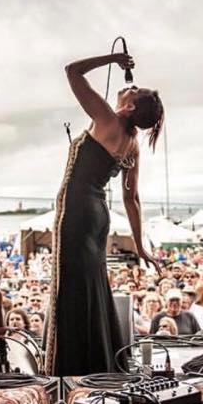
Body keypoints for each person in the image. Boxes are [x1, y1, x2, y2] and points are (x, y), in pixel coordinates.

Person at [44, 52, 165, 376]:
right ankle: (95, 364)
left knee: (68, 287)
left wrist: (113, 59)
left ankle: (66, 371)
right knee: (91, 287)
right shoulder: (132, 144)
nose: (129, 87)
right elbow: (132, 199)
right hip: (98, 216)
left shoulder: (108, 120)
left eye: (133, 90)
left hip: (77, 211)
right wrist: (139, 246)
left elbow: (72, 71)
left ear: (128, 107)